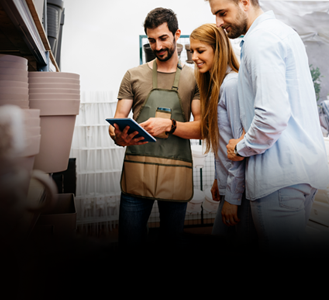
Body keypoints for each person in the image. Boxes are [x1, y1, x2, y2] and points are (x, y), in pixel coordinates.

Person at [207, 0, 329, 252]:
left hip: (277, 176)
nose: (218, 22)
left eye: (222, 13)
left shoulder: (259, 39)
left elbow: (271, 115)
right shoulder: (286, 33)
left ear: (244, 3)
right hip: (302, 173)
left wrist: (240, 147)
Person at [109, 7, 201, 252]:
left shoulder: (194, 79)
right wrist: (118, 136)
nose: (157, 46)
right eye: (151, 40)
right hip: (137, 175)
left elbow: (201, 127)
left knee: (171, 246)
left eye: (163, 38)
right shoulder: (133, 76)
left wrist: (169, 125)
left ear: (176, 34)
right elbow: (118, 120)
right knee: (129, 246)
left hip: (176, 175)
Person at [189, 23, 257, 249]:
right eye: (192, 51)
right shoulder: (217, 86)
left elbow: (239, 148)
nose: (194, 57)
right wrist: (220, 179)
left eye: (200, 51)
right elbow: (222, 141)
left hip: (241, 192)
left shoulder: (232, 84)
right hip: (230, 186)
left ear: (218, 50)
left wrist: (233, 198)